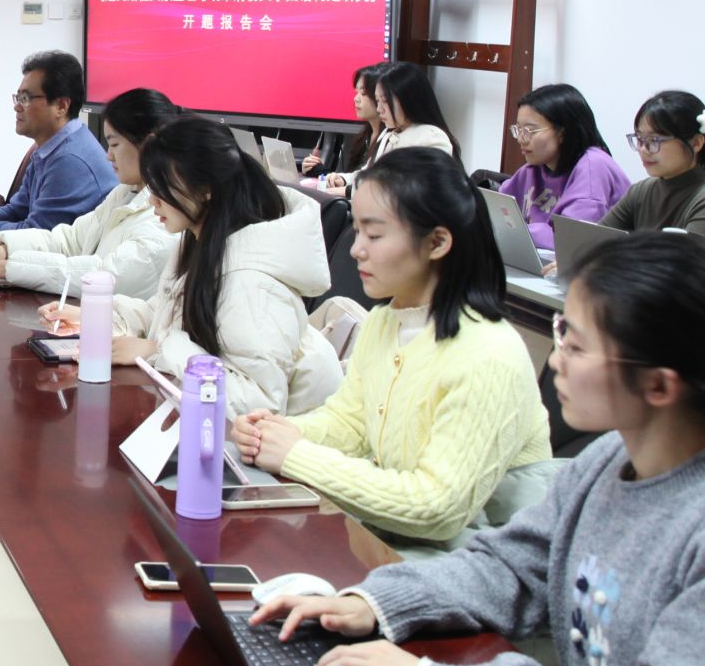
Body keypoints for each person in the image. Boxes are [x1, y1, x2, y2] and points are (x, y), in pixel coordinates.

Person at [251, 233, 705, 666]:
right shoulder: (607, 460)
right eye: (562, 331)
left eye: (577, 345)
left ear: (660, 385)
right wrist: (375, 604)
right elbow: (510, 567)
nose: (556, 360)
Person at [235, 148, 551, 548]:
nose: (356, 249)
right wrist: (276, 433)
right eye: (358, 231)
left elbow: (437, 508)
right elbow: (351, 424)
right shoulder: (386, 321)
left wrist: (295, 453)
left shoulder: (489, 353)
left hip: (476, 563)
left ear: (437, 242)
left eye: (374, 235)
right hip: (400, 546)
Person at [38, 115, 343, 418]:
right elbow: (165, 312)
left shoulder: (251, 282)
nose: (152, 201)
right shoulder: (203, 242)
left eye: (162, 186)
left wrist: (158, 351)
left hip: (277, 439)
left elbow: (260, 404)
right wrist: (97, 315)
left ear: (205, 187)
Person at [0, 87, 182, 298]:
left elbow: (105, 274)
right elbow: (71, 239)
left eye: (114, 145)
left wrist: (16, 267)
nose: (108, 156)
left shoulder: (165, 216)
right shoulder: (125, 192)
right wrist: (8, 249)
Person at [0, 51, 111, 240]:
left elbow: (38, 235)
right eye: (17, 98)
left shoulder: (70, 160)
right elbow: (19, 209)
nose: (17, 107)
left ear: (61, 106)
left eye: (25, 99)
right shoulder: (49, 147)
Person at [497, 83, 630, 248]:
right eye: (518, 130)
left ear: (562, 132)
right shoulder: (535, 167)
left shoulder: (593, 168)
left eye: (530, 131)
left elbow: (573, 240)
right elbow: (497, 211)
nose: (521, 139)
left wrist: (517, 231)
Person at [599, 89, 705, 238]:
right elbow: (594, 239)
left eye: (654, 140)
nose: (643, 149)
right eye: (640, 138)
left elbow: (683, 253)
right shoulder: (641, 191)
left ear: (696, 143)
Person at [322, 61, 457, 195]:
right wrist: (344, 179)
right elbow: (369, 172)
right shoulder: (388, 133)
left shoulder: (431, 137)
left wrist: (349, 190)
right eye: (377, 101)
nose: (379, 109)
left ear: (407, 99)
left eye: (385, 101)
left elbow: (410, 189)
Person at [302, 63, 387, 179]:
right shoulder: (364, 137)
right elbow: (352, 179)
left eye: (363, 94)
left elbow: (365, 181)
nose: (356, 99)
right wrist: (315, 169)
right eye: (356, 92)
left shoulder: (390, 139)